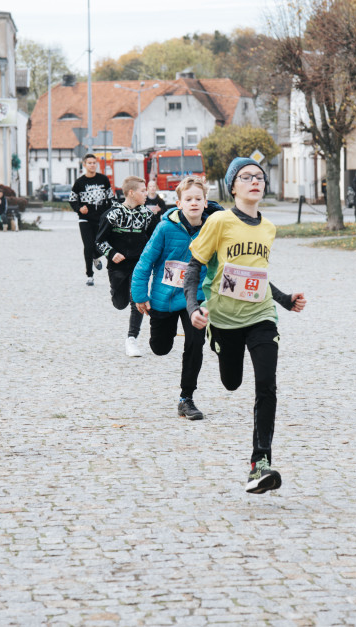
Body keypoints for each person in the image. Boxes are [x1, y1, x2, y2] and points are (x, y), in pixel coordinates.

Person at [182, 157, 307, 494]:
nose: (255, 181)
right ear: (232, 186)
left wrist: (283, 299)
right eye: (246, 176)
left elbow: (258, 276)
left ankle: (260, 462)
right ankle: (220, 347)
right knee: (231, 382)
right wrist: (194, 307)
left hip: (261, 315)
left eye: (260, 177)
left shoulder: (268, 228)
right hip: (223, 319)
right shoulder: (219, 221)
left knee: (266, 383)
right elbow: (194, 267)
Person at [132, 177, 223, 420]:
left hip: (196, 297)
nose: (193, 203)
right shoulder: (165, 228)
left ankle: (186, 398)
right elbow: (145, 262)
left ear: (206, 203)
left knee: (195, 343)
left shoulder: (213, 228)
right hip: (165, 298)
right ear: (178, 203)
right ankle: (162, 336)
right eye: (188, 199)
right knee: (161, 348)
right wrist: (140, 294)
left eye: (198, 199)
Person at [97, 176, 160, 357]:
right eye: (142, 190)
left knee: (137, 301)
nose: (146, 193)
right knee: (120, 303)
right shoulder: (112, 215)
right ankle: (116, 293)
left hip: (140, 265)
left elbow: (155, 240)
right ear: (131, 193)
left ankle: (131, 339)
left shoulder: (148, 215)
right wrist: (111, 253)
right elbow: (99, 241)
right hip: (117, 267)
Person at [69, 153, 115, 286]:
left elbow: (111, 199)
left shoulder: (103, 180)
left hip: (101, 219)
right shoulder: (79, 183)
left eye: (94, 163)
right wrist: (79, 209)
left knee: (103, 244)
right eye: (89, 163)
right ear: (84, 165)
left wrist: (111, 213)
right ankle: (90, 275)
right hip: (85, 220)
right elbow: (72, 200)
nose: (92, 165)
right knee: (88, 246)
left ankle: (96, 256)